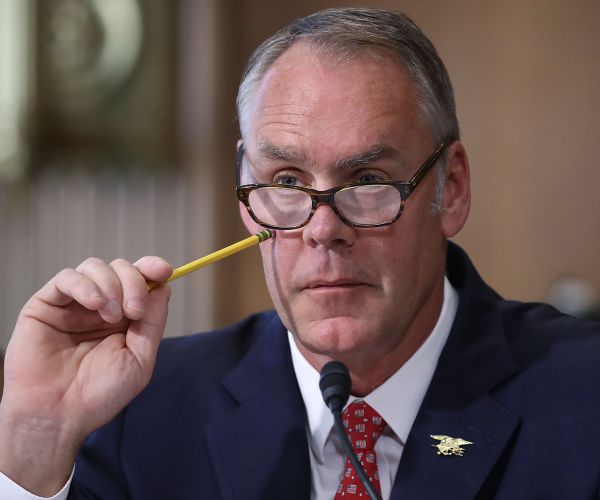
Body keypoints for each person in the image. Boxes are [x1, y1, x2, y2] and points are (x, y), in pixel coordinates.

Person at [1, 7, 600, 500]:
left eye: (368, 179)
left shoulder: (584, 400)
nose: (323, 229)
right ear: (246, 193)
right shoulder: (138, 413)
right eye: (287, 182)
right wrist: (34, 442)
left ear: (454, 188)